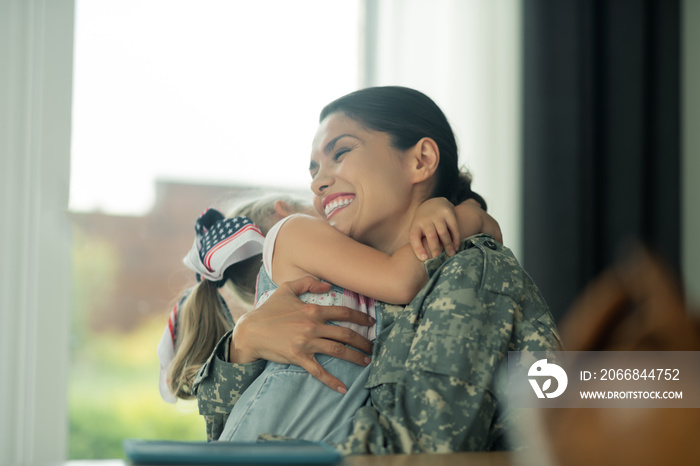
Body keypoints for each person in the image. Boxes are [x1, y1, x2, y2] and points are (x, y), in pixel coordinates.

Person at [194, 86, 561, 453]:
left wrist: (290, 453)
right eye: (314, 169)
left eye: (340, 152)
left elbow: (426, 449)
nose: (317, 182)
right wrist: (241, 346)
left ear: (421, 160)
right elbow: (225, 431)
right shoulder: (360, 284)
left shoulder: (469, 268)